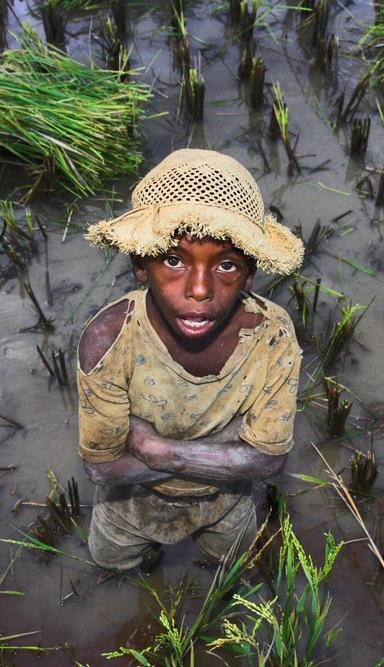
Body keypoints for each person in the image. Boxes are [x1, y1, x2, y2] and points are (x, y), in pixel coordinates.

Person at [76, 148, 305, 572]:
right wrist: (229, 452)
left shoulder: (272, 337)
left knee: (232, 568)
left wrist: (155, 449)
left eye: (227, 266)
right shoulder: (109, 340)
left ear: (250, 273)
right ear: (140, 263)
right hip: (131, 504)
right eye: (174, 260)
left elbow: (270, 461)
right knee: (114, 567)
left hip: (227, 501)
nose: (199, 289)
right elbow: (102, 470)